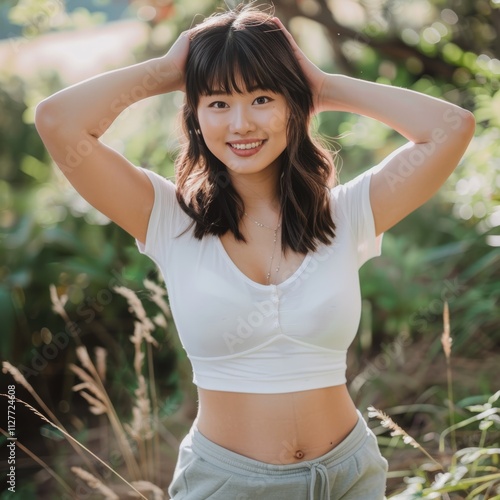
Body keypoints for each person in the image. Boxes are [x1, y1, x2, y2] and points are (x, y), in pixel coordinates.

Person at [35, 3, 475, 499]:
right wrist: (168, 69)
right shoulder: (166, 218)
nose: (241, 124)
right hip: (229, 485)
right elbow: (57, 120)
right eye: (218, 103)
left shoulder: (345, 214)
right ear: (195, 115)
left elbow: (452, 127)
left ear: (294, 105)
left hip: (350, 476)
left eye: (263, 97)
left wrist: (324, 87)